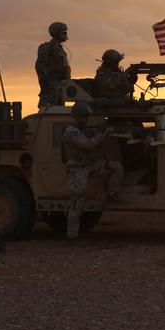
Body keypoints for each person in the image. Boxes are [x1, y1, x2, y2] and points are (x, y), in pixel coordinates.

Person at [62, 101, 122, 243]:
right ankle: (72, 237)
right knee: (77, 201)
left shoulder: (85, 128)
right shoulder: (71, 131)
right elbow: (88, 145)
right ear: (77, 116)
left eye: (87, 116)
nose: (86, 119)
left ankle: (110, 195)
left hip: (91, 164)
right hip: (78, 167)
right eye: (84, 116)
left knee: (115, 168)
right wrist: (104, 134)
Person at [35, 21, 71, 108]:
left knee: (59, 112)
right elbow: (40, 66)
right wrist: (47, 82)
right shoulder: (46, 48)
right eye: (63, 33)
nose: (66, 35)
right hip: (51, 88)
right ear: (56, 33)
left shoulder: (61, 50)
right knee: (48, 111)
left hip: (60, 87)